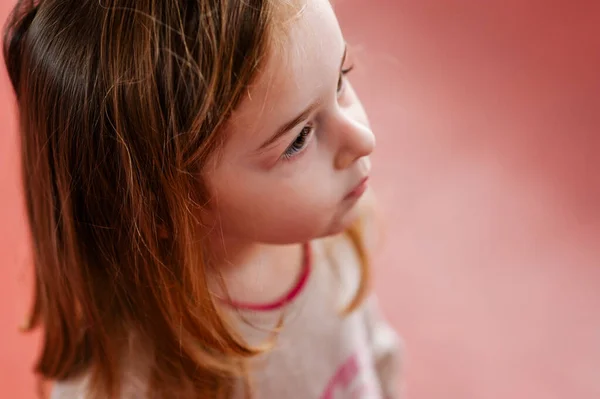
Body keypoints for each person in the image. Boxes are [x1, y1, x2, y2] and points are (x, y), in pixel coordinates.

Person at [3, 0, 402, 397]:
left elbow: (375, 357)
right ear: (158, 205)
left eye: (340, 78)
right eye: (298, 138)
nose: (363, 140)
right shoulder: (125, 382)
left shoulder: (329, 227)